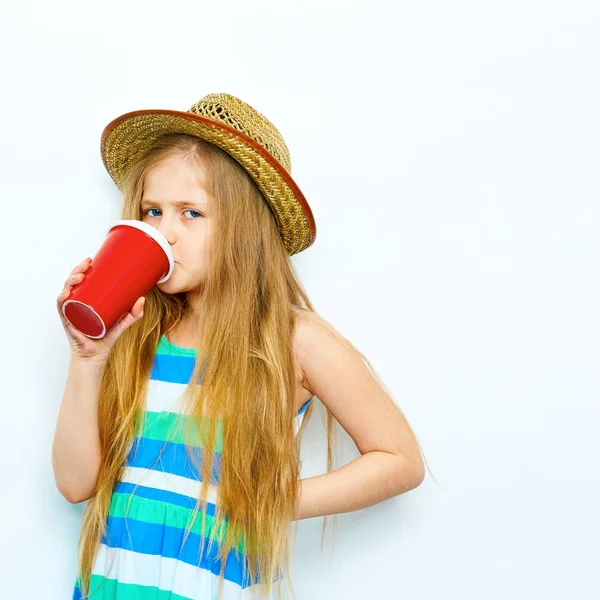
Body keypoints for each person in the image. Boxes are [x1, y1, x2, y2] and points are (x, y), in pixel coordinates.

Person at [52, 93, 429, 600]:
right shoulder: (134, 332)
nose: (165, 232)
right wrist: (87, 355)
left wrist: (275, 502)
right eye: (153, 210)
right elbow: (76, 484)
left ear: (245, 229)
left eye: (191, 213)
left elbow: (400, 459)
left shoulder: (294, 340)